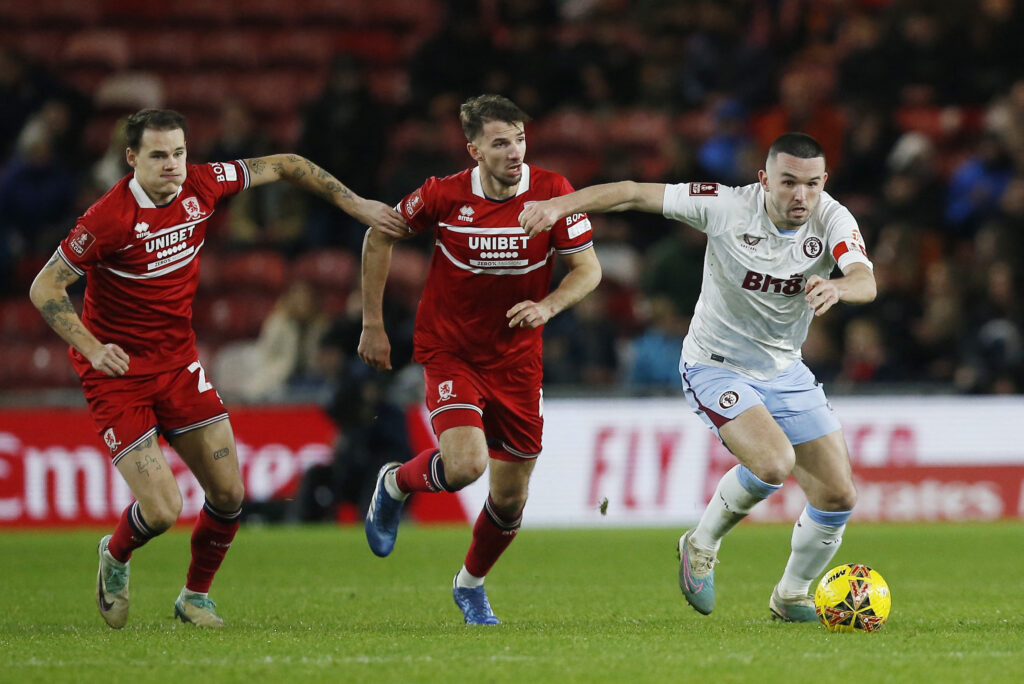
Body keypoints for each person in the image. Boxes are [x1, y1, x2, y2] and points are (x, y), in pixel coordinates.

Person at [28, 108, 407, 629]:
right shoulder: (106, 219)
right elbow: (44, 287)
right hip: (118, 374)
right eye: (159, 155)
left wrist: (357, 204)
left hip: (179, 364)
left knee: (230, 494)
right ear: (131, 158)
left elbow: (289, 164)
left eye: (179, 153)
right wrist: (92, 348)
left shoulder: (203, 183)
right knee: (162, 510)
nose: (173, 165)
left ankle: (194, 598)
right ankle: (115, 556)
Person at [520, 133, 876, 622]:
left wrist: (838, 287)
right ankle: (701, 542)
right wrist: (561, 204)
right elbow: (630, 191)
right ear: (764, 178)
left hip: (784, 368)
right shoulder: (724, 206)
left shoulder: (832, 217)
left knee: (838, 496)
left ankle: (790, 595)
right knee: (773, 463)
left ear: (824, 182)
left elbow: (866, 280)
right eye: (789, 182)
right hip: (715, 364)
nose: (801, 196)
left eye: (812, 184)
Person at [359, 94, 601, 624]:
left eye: (519, 139)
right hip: (452, 353)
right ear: (474, 150)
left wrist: (548, 305)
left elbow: (588, 270)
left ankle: (470, 585)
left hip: (517, 362)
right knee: (467, 464)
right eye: (499, 142)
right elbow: (379, 235)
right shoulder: (442, 195)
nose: (514, 151)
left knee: (510, 500)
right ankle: (395, 483)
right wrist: (373, 324)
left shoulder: (552, 192)